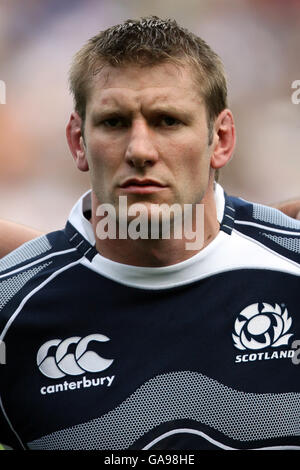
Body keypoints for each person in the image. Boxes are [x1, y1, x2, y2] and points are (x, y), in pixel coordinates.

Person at [0, 16, 299, 451]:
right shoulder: (13, 305)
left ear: (221, 139)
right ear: (78, 141)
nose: (140, 150)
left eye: (167, 121)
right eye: (115, 122)